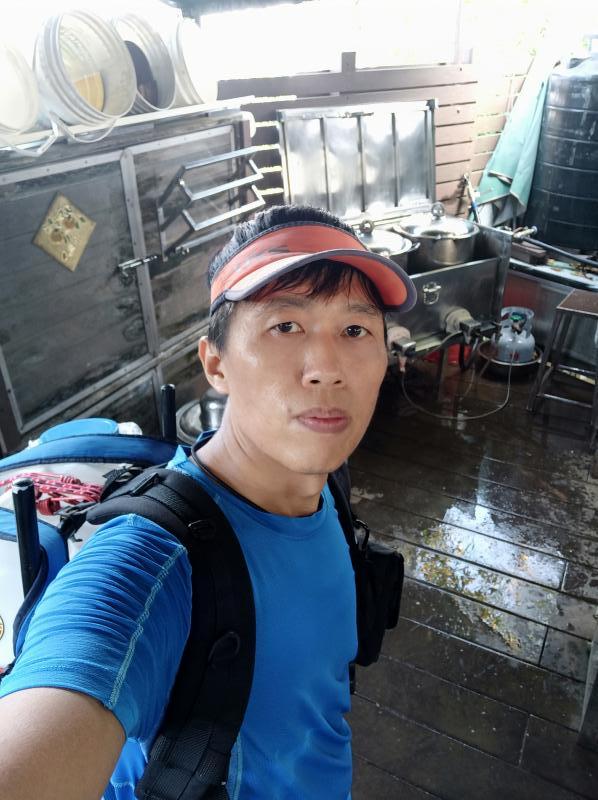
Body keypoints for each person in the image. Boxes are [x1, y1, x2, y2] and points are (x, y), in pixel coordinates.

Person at [0, 204, 416, 800]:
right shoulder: (153, 563)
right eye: (285, 326)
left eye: (355, 330)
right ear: (216, 364)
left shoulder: (325, 479)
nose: (326, 369)